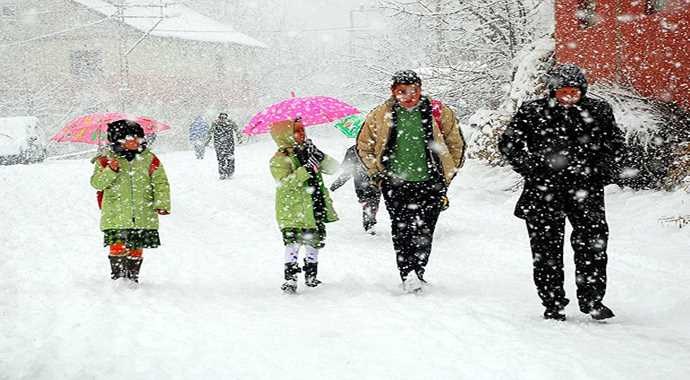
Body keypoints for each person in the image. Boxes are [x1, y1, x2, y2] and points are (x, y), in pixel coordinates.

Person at [498, 63, 625, 321]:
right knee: (546, 252)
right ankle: (553, 303)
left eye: (574, 92)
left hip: (586, 191)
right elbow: (508, 143)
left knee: (593, 246)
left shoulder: (598, 111)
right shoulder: (532, 111)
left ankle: (592, 300)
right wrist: (531, 166)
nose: (568, 97)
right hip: (543, 191)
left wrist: (601, 168)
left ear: (583, 90)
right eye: (562, 92)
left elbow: (616, 144)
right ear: (552, 91)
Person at [356, 70, 465, 293]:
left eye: (413, 90)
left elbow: (456, 142)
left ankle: (419, 270)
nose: (408, 96)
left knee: (425, 230)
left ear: (421, 90)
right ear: (393, 92)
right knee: (402, 228)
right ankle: (407, 273)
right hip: (395, 183)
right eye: (402, 91)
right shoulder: (380, 114)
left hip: (430, 181)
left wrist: (447, 172)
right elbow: (364, 145)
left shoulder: (438, 111)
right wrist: (377, 171)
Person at [91, 120, 171, 285]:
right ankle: (118, 277)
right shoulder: (106, 160)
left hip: (143, 212)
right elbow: (97, 183)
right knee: (118, 244)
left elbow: (161, 182)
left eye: (138, 138)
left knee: (136, 244)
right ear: (118, 140)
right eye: (130, 138)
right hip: (116, 212)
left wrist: (162, 203)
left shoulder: (149, 159)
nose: (136, 141)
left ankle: (132, 276)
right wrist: (110, 170)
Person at [269, 118, 339, 294]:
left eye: (303, 130)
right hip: (294, 209)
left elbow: (333, 168)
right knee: (292, 243)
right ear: (285, 135)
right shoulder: (279, 159)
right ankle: (290, 278)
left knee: (313, 241)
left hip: (314, 205)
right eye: (296, 131)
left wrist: (319, 155)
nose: (302, 134)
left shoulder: (309, 152)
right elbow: (284, 183)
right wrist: (306, 169)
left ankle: (311, 275)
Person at [329, 145, 381, 234]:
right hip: (370, 183)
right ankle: (369, 223)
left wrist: (336, 185)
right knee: (371, 202)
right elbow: (348, 171)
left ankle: (369, 222)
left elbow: (347, 172)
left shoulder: (353, 150)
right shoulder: (375, 148)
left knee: (369, 202)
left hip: (363, 184)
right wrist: (336, 185)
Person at [207, 112, 239, 179]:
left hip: (219, 144)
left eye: (223, 118)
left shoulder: (215, 123)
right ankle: (229, 172)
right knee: (229, 158)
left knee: (221, 159)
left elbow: (209, 133)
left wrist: (207, 141)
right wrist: (239, 138)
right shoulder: (230, 123)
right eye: (222, 118)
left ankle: (223, 173)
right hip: (229, 144)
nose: (222, 119)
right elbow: (237, 130)